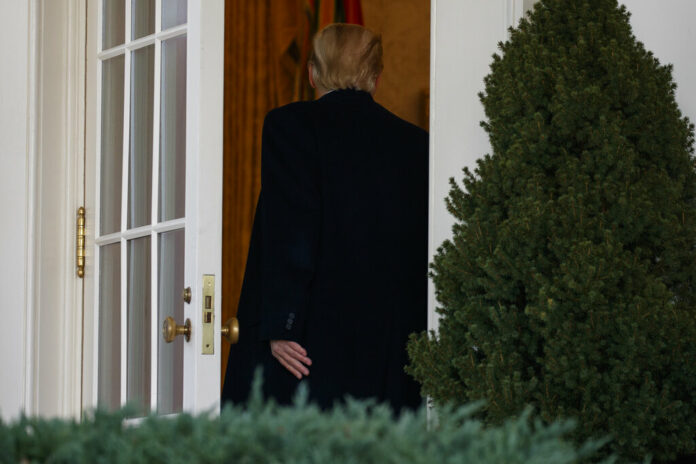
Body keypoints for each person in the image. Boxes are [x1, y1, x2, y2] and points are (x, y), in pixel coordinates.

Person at [222, 23, 428, 411]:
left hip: (305, 347)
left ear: (312, 73)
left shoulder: (290, 127)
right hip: (389, 351)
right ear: (377, 77)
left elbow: (292, 225)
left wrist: (282, 324)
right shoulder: (416, 145)